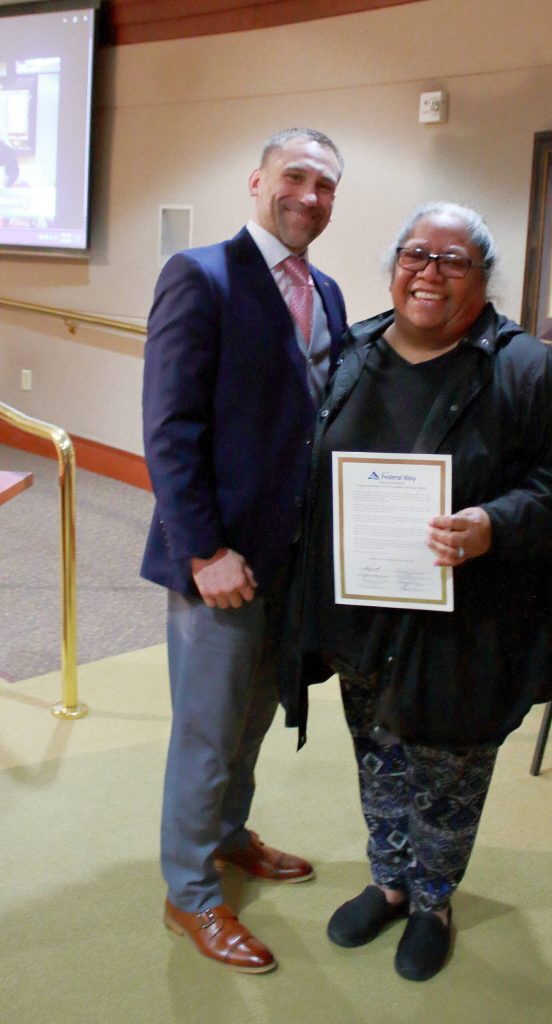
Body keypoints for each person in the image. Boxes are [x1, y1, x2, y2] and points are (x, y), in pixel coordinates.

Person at [286, 201, 552, 982]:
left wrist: (495, 523)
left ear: (482, 276)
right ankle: (389, 880)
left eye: (452, 260)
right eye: (414, 255)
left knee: (450, 770)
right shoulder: (352, 351)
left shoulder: (524, 368)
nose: (428, 273)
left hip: (468, 622)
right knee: (377, 756)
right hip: (361, 610)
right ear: (394, 266)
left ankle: (432, 899)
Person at [141, 128, 346, 973]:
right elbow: (169, 427)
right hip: (218, 564)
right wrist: (202, 552)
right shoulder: (201, 274)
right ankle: (189, 894)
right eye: (294, 176)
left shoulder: (327, 289)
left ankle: (227, 835)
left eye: (326, 185)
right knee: (207, 727)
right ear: (258, 180)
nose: (309, 195)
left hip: (290, 559)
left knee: (256, 713)